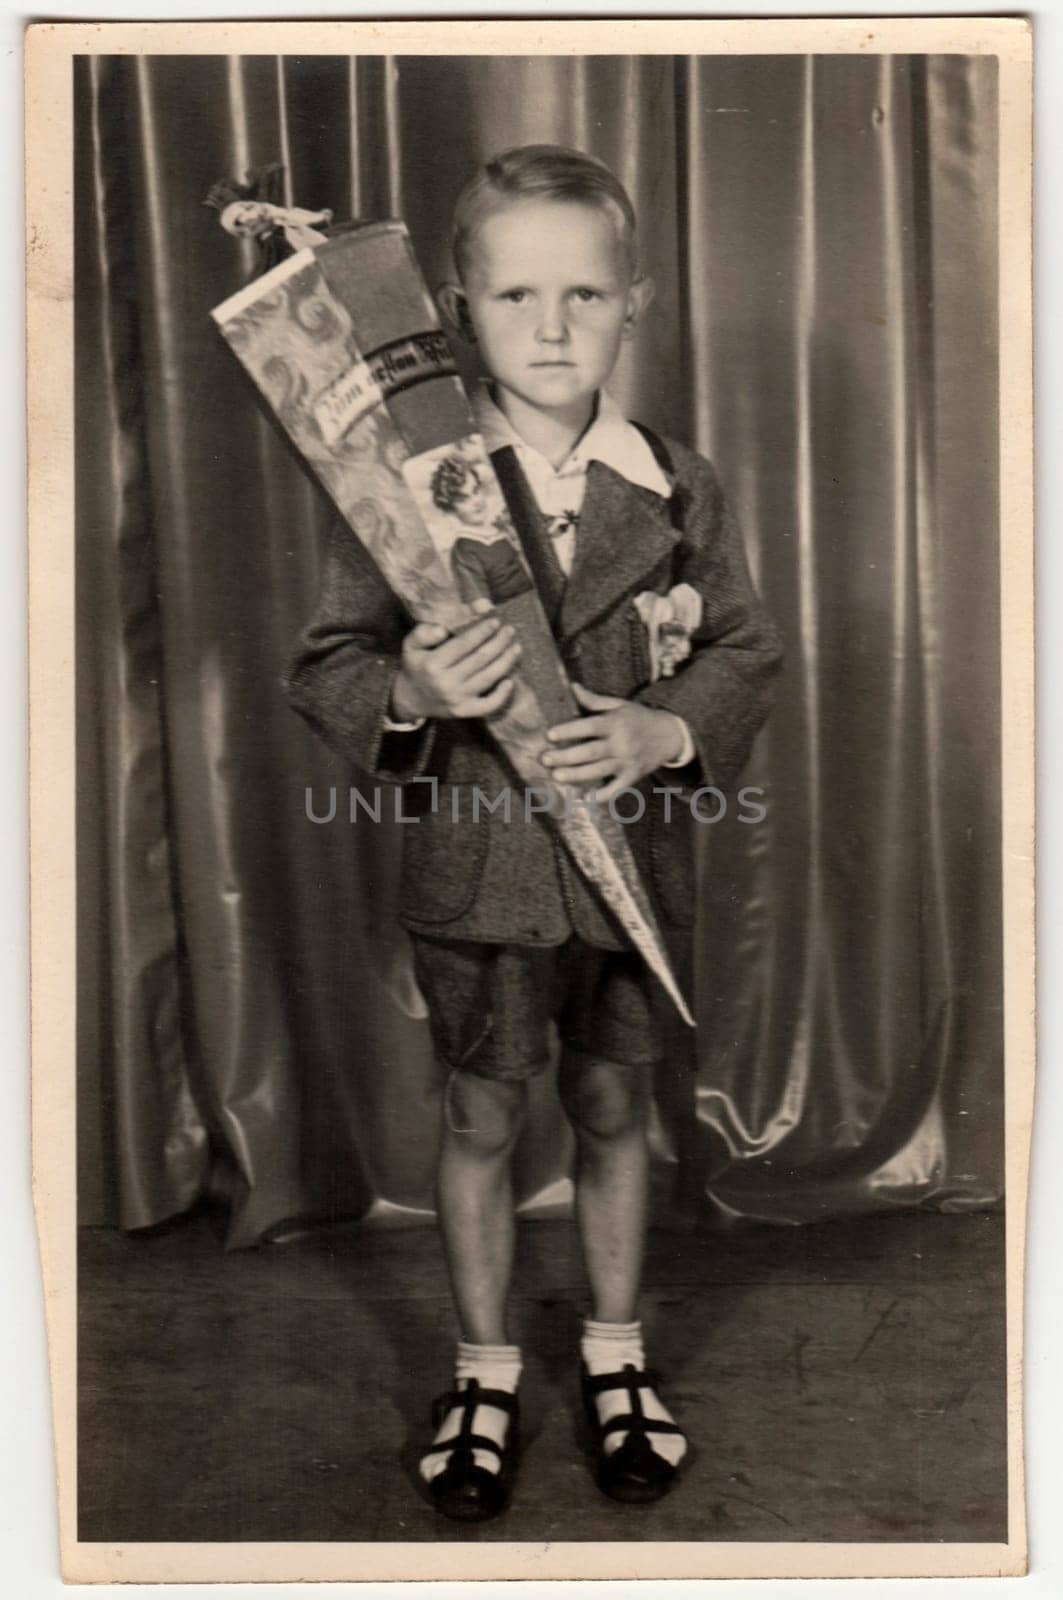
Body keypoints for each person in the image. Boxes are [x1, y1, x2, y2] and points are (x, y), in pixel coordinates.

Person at [284, 144, 783, 1522]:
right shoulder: (404, 482)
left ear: (636, 302)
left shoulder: (677, 484)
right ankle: (485, 1369)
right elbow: (324, 662)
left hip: (626, 874)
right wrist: (407, 688)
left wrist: (661, 730)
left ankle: (615, 1359)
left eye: (582, 293)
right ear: (455, 312)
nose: (550, 327)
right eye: (513, 297)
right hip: (474, 873)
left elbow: (741, 649)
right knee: (481, 1109)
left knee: (616, 1102)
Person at [428, 454, 534, 606]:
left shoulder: (500, 530)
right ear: (450, 509)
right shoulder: (463, 550)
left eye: (476, 490)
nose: (476, 501)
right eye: (464, 498)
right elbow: (481, 606)